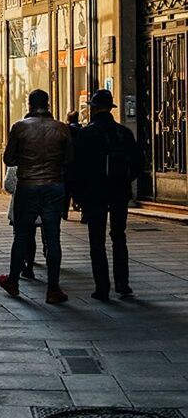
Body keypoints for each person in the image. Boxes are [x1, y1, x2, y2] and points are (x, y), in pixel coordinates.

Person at [0, 88, 73, 305]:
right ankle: (53, 288)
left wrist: (27, 160)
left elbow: (9, 159)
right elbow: (69, 160)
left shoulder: (20, 128)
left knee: (21, 235)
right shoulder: (61, 128)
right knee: (53, 237)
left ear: (29, 104)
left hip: (28, 186)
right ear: (48, 104)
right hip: (53, 187)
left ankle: (13, 280)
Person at [73, 89, 143, 301]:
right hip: (119, 192)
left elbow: (77, 167)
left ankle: (102, 287)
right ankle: (123, 284)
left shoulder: (86, 134)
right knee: (119, 237)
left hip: (94, 193)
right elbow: (138, 162)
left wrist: (78, 194)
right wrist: (126, 181)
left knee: (97, 241)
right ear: (111, 108)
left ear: (93, 109)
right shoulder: (124, 133)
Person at [4, 165, 42, 279]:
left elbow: (9, 186)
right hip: (37, 205)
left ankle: (17, 270)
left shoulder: (17, 163)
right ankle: (29, 267)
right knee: (31, 237)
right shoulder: (42, 161)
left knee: (19, 238)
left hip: (20, 206)